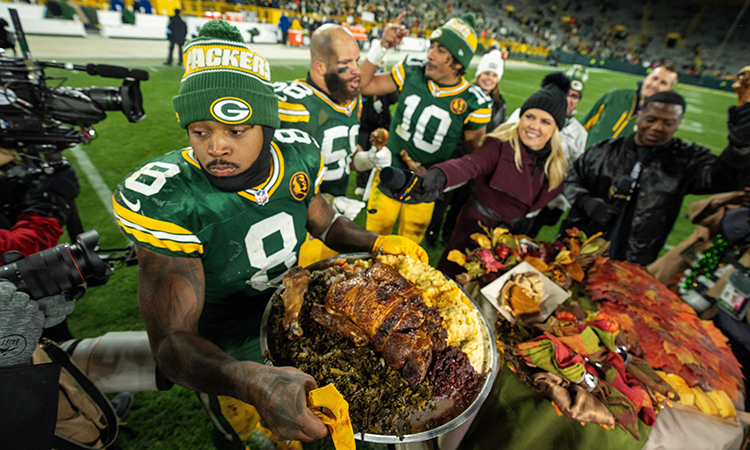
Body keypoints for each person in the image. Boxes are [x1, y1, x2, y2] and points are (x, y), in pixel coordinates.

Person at [112, 21, 426, 450]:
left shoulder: (297, 153)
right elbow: (170, 343)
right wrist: (247, 380)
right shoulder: (170, 199)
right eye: (199, 131)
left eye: (234, 131)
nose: (215, 147)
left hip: (295, 324)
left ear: (266, 125)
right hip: (225, 353)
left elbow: (321, 218)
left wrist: (376, 242)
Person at [561, 91, 750, 266]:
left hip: (634, 259)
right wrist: (586, 202)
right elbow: (571, 179)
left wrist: (737, 150)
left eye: (668, 123)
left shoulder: (686, 159)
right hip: (578, 248)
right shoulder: (604, 151)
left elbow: (722, 179)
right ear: (640, 115)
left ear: (679, 122)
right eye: (651, 119)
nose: (657, 127)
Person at [411, 82, 570, 279]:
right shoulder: (498, 145)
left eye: (545, 121)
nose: (534, 126)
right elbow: (468, 164)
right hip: (474, 230)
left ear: (556, 128)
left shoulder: (555, 164)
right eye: (529, 116)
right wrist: (440, 175)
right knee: (450, 285)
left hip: (513, 241)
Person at [359, 12, 492, 245]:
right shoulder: (412, 70)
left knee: (408, 251)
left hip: (424, 186)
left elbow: (473, 155)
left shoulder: (474, 101)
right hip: (388, 173)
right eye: (433, 46)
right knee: (373, 243)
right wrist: (381, 46)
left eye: (441, 50)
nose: (430, 54)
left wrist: (443, 175)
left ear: (459, 63)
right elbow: (364, 85)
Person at [275, 24, 389, 266]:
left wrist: (367, 159)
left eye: (357, 60)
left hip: (334, 225)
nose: (358, 71)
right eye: (348, 63)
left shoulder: (348, 99)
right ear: (320, 66)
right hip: (294, 227)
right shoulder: (288, 103)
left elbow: (345, 159)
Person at [424, 48, 507, 248]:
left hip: (478, 163)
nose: (489, 78)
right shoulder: (464, 95)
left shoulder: (500, 104)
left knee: (461, 202)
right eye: (487, 73)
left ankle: (449, 233)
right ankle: (432, 233)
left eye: (494, 75)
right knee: (442, 198)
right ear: (479, 74)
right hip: (455, 156)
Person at [581, 63, 678, 148]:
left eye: (663, 83)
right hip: (585, 162)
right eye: (654, 78)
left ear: (669, 90)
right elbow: (582, 127)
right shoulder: (615, 96)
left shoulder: (660, 120)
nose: (655, 85)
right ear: (647, 78)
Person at [354, 59, 399, 196]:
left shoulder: (384, 87)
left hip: (382, 127)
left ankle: (378, 183)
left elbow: (394, 99)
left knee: (381, 157)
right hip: (365, 127)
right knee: (362, 155)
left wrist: (385, 77)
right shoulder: (365, 85)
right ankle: (361, 184)